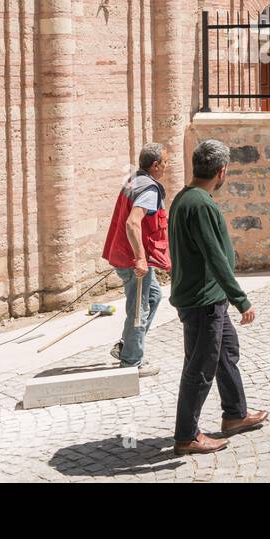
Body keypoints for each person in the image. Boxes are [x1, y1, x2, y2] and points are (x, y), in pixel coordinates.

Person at [168, 138, 268, 455]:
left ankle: (235, 414)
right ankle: (186, 436)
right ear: (221, 171)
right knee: (200, 367)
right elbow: (215, 258)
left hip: (208, 299)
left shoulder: (187, 198)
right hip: (203, 302)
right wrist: (241, 299)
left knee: (226, 352)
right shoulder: (199, 204)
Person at [101, 143, 170, 376]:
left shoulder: (134, 180)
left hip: (122, 253)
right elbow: (132, 222)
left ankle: (126, 347)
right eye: (165, 163)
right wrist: (140, 258)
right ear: (155, 165)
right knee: (139, 308)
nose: (166, 168)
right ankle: (132, 361)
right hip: (133, 259)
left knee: (153, 296)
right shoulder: (149, 190)